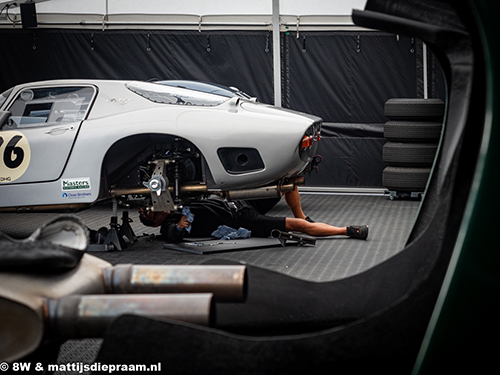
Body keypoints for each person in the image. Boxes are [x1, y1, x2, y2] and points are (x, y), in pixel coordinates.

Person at [138, 187, 368, 242]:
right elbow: (176, 234)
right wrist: (182, 222)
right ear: (153, 222)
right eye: (148, 214)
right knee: (297, 226)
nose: (152, 209)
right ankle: (346, 230)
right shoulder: (167, 226)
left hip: (238, 202)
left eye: (150, 206)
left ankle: (304, 215)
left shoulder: (175, 199)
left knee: (286, 185)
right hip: (244, 221)